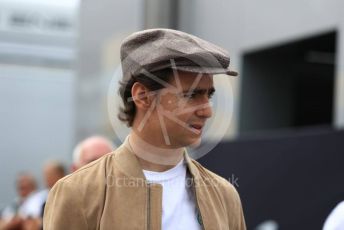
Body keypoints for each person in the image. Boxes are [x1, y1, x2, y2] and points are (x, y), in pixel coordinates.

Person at [44, 28, 246, 230]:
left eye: (208, 96)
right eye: (191, 95)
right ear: (142, 96)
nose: (208, 111)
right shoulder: (78, 193)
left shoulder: (224, 196)